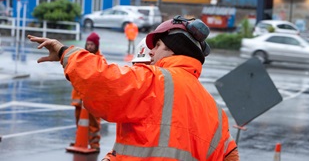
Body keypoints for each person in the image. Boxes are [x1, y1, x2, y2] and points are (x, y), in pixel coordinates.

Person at [28, 15, 239, 160]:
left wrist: (65, 53)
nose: (152, 53)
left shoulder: (155, 81)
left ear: (175, 49)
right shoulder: (216, 112)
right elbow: (229, 155)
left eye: (157, 46)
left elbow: (103, 80)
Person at [70, 32, 104, 152]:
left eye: (92, 44)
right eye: (88, 44)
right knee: (80, 121)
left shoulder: (100, 60)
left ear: (96, 46)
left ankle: (95, 144)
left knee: (94, 123)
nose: (89, 46)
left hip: (92, 99)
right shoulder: (81, 57)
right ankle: (80, 140)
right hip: (79, 97)